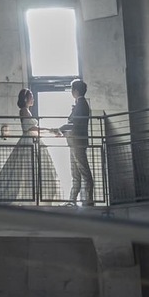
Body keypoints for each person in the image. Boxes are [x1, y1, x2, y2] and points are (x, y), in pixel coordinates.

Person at [0, 88, 60, 203]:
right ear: (26, 99)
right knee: (26, 170)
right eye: (31, 96)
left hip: (31, 140)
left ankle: (35, 196)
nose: (33, 99)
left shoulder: (27, 111)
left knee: (32, 170)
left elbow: (34, 130)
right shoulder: (24, 110)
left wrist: (50, 132)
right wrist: (50, 130)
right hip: (28, 142)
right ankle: (30, 196)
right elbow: (31, 128)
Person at [59, 78, 94, 206]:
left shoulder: (81, 104)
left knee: (83, 171)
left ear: (76, 91)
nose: (71, 92)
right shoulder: (80, 104)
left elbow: (74, 123)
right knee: (76, 173)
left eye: (72, 90)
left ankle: (88, 201)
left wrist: (60, 129)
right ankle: (72, 200)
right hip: (75, 141)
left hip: (77, 141)